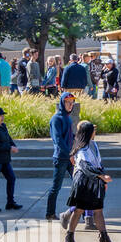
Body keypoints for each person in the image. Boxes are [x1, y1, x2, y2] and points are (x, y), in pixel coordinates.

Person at [62, 120, 117, 242]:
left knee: (98, 210)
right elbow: (85, 166)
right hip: (83, 181)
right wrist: (102, 176)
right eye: (93, 130)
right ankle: (69, 236)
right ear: (88, 132)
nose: (95, 132)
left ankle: (104, 236)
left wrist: (102, 178)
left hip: (94, 180)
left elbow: (98, 163)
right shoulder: (81, 149)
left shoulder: (94, 144)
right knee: (79, 210)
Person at [45, 93, 77, 221]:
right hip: (61, 158)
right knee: (56, 187)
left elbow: (70, 136)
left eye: (72, 102)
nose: (71, 104)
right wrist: (69, 154)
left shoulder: (68, 118)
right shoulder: (56, 119)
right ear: (62, 103)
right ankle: (50, 213)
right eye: (68, 102)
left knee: (79, 183)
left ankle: (81, 213)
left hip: (70, 157)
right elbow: (58, 140)